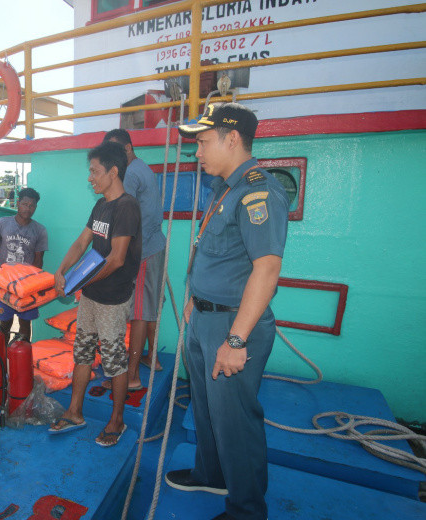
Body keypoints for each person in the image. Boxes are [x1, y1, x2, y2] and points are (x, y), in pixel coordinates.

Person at [165, 103, 288, 520]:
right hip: (204, 318)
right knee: (205, 408)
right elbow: (214, 256)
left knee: (236, 420)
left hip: (233, 325)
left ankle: (247, 510)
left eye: (202, 142)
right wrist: (193, 300)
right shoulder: (225, 188)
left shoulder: (258, 191)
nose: (196, 152)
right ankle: (211, 473)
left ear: (232, 138)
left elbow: (267, 268)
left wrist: (235, 340)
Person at [49, 141, 142, 447]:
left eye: (94, 171)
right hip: (91, 296)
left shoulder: (126, 206)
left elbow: (117, 259)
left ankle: (117, 421)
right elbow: (81, 242)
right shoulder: (100, 205)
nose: (90, 177)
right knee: (83, 352)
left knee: (115, 360)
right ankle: (75, 412)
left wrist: (81, 283)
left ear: (113, 172)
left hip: (113, 299)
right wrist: (62, 271)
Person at [101, 128, 167, 392]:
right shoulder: (142, 168)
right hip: (154, 246)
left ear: (128, 149)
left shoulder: (131, 174)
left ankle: (132, 376)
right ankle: (154, 358)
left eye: (116, 152)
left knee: (139, 312)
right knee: (149, 305)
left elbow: (122, 218)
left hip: (143, 252)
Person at [0, 187, 48, 341]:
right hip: (5, 284)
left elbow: (39, 259)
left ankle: (23, 358)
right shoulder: (1, 223)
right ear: (18, 203)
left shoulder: (40, 230)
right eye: (25, 204)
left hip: (26, 286)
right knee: (4, 324)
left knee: (25, 325)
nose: (28, 208)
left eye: (32, 205)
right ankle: (2, 358)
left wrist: (35, 284)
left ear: (35, 207)